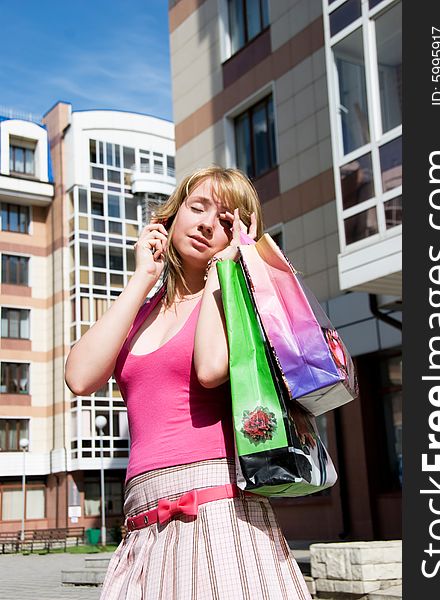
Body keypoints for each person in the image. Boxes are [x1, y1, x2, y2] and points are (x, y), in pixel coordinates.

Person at [65, 165, 312, 599]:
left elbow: (210, 369)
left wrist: (228, 268)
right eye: (197, 208)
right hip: (142, 519)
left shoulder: (233, 299)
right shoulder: (140, 313)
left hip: (218, 512)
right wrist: (142, 276)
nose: (205, 225)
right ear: (172, 215)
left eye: (224, 221)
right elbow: (80, 377)